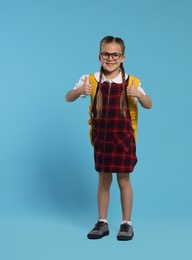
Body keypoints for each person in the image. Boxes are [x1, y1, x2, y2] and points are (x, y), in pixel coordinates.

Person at [65, 36, 152, 241]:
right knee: (104, 180)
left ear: (122, 57)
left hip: (123, 138)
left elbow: (149, 104)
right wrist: (79, 91)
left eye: (115, 54)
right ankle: (102, 222)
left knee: (124, 180)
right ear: (99, 56)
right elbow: (68, 97)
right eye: (106, 53)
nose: (110, 58)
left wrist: (138, 95)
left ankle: (126, 223)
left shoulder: (131, 82)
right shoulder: (91, 80)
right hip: (102, 138)